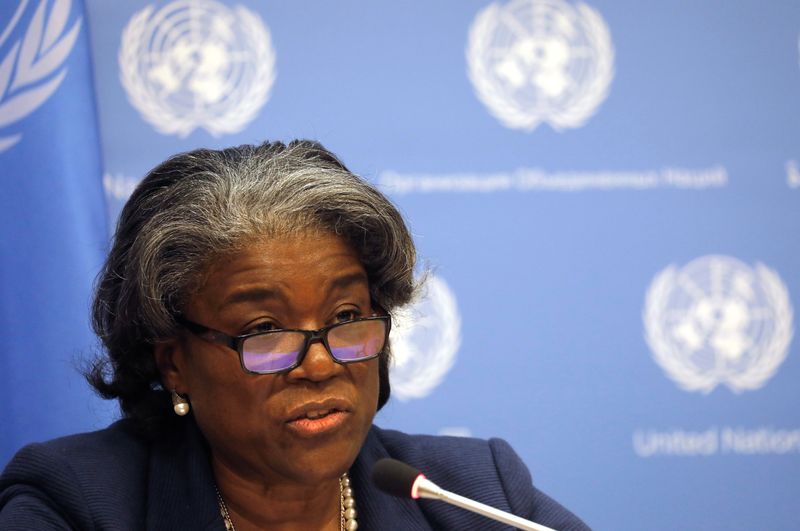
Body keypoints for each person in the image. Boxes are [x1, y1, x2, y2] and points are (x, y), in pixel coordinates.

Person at [0, 141, 590, 530]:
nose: (319, 365)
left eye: (344, 318)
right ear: (174, 363)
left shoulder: (475, 496)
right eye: (264, 330)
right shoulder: (77, 503)